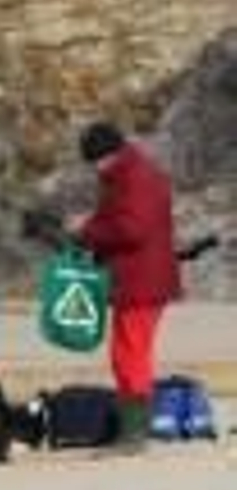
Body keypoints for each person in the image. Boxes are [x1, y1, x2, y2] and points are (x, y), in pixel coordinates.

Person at [67, 120, 182, 448]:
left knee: (130, 353)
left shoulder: (135, 177)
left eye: (96, 161)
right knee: (128, 352)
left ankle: (134, 434)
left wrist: (85, 233)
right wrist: (89, 227)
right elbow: (117, 219)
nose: (95, 169)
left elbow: (132, 229)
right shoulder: (126, 173)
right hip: (138, 278)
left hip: (141, 281)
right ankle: (132, 429)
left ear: (109, 153)